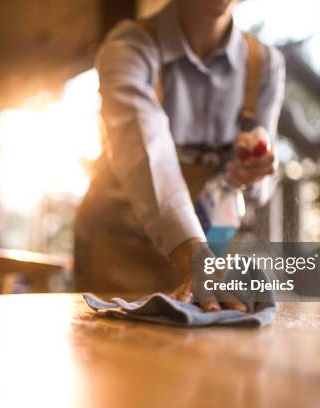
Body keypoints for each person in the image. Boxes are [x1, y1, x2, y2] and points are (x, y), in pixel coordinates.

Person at [74, 0, 285, 311]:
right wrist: (192, 256)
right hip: (117, 251)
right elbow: (147, 153)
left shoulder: (265, 63)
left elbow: (261, 190)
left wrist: (253, 172)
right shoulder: (129, 46)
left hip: (208, 258)